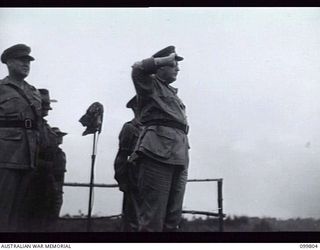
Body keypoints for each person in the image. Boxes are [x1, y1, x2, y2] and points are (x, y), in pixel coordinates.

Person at [130, 46, 190, 232]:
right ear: (161, 67)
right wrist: (162, 60)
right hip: (157, 151)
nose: (177, 69)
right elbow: (137, 68)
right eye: (173, 65)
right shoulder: (150, 84)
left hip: (179, 154)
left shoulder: (171, 91)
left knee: (173, 219)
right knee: (153, 219)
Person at [0, 44, 42, 231]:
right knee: (3, 209)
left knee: (21, 213)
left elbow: (37, 125)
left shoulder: (34, 92)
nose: (26, 64)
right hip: (5, 157)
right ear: (8, 62)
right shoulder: (1, 89)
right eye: (21, 60)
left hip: (29, 156)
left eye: (28, 61)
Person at [114, 96, 142, 232]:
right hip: (134, 181)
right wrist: (122, 180)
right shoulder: (130, 128)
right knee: (133, 222)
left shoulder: (151, 128)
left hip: (151, 181)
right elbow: (121, 156)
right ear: (136, 108)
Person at [50, 127, 67, 227]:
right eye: (58, 136)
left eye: (61, 136)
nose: (60, 138)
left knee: (55, 213)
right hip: (49, 186)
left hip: (58, 186)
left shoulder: (61, 153)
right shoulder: (47, 152)